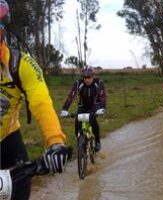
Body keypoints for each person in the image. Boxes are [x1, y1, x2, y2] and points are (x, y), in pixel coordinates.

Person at [0, 1, 68, 199]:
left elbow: (41, 103)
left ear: (3, 32)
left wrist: (55, 142)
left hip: (8, 141)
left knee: (21, 191)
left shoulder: (22, 64)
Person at [60, 66, 106, 152]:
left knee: (93, 120)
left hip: (95, 105)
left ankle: (97, 141)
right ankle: (80, 142)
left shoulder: (98, 83)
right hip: (83, 106)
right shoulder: (78, 83)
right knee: (77, 122)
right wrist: (65, 109)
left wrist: (102, 108)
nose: (87, 79)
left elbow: (102, 96)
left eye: (89, 77)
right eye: (85, 77)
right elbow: (71, 96)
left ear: (93, 76)